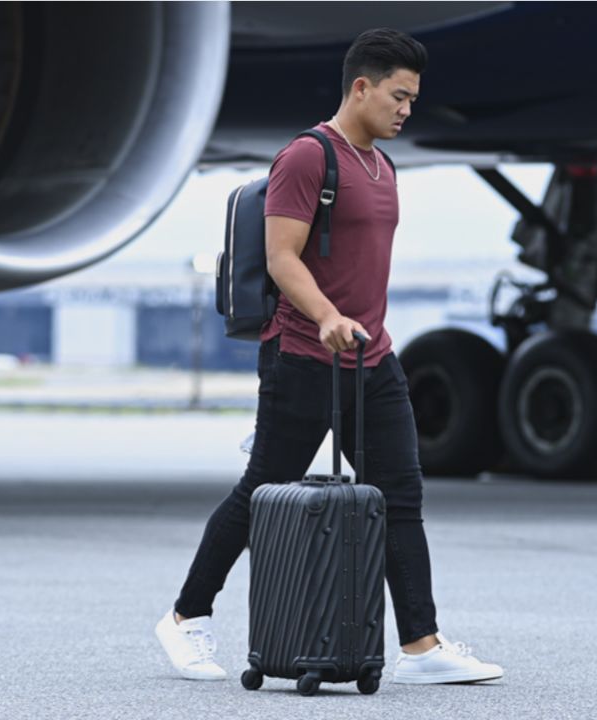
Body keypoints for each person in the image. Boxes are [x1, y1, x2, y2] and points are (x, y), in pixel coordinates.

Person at [155, 28, 504, 685]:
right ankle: (185, 618)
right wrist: (327, 318)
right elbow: (284, 258)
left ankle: (422, 647)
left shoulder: (384, 165)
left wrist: (359, 326)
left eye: (414, 99)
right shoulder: (308, 158)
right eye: (399, 96)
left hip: (373, 358)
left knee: (400, 496)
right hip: (302, 354)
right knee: (262, 491)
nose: (407, 110)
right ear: (361, 87)